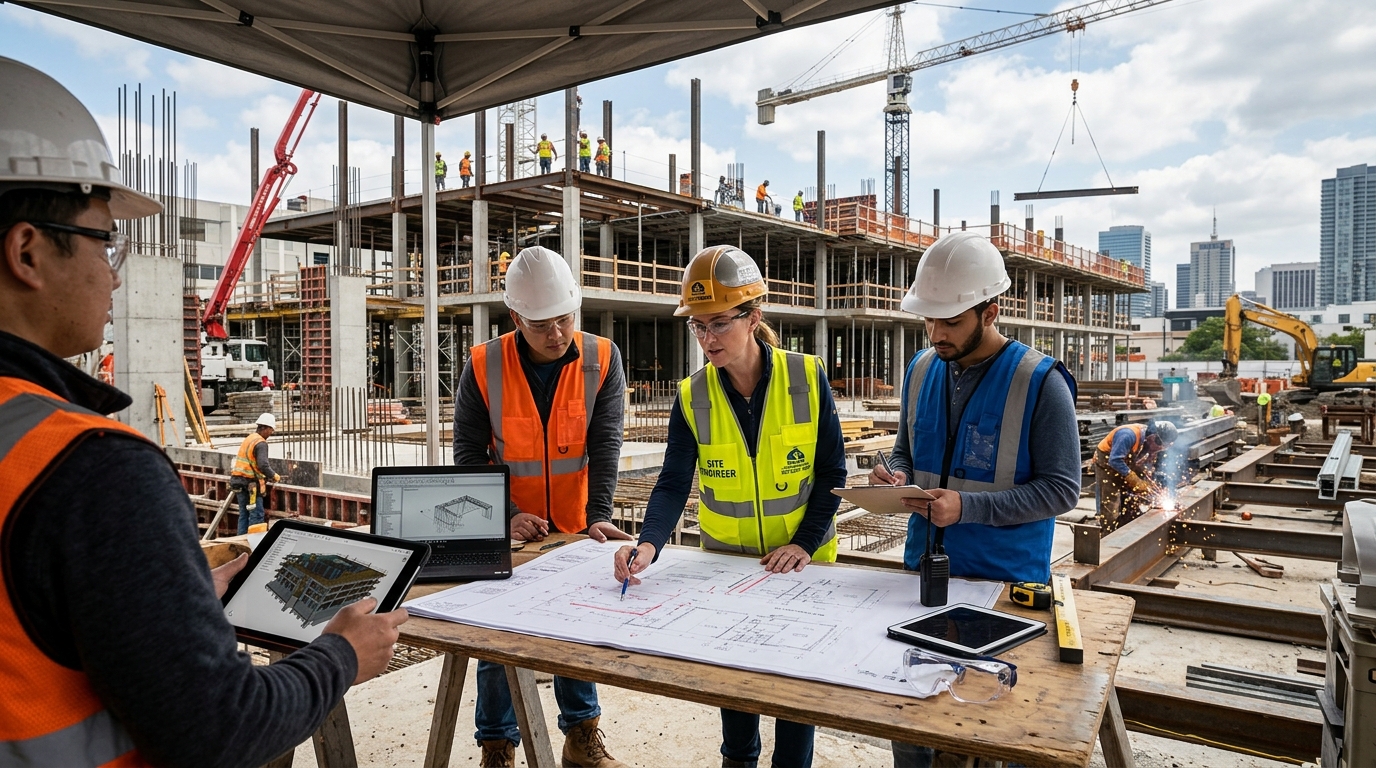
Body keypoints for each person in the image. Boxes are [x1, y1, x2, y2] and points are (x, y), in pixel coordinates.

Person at [0, 56, 407, 768]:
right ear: (28, 251)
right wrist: (341, 655)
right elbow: (221, 729)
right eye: (104, 240)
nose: (114, 275)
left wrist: (174, 605)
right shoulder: (92, 469)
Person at [614, 245, 847, 768]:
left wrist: (803, 544)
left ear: (754, 317)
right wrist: (647, 544)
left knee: (794, 704)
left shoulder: (807, 377)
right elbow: (673, 482)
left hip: (802, 569)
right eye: (698, 326)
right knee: (737, 710)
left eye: (719, 323)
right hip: (727, 572)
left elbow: (833, 474)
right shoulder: (692, 395)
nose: (708, 338)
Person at [869, 232, 1080, 768]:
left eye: (951, 321)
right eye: (929, 320)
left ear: (991, 312)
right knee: (913, 720)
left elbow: (1062, 488)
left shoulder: (1040, 382)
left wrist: (967, 508)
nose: (936, 333)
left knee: (990, 730)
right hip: (924, 577)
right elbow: (906, 450)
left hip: (1004, 587)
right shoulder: (921, 369)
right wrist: (895, 475)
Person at [453, 246, 631, 768]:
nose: (556, 334)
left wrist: (599, 514)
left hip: (576, 524)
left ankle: (582, 735)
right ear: (515, 318)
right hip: (509, 531)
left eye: (564, 319)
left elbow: (605, 444)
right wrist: (506, 512)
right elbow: (469, 452)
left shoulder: (602, 358)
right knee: (497, 637)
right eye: (540, 325)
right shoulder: (484, 365)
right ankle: (497, 745)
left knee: (574, 630)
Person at [1093, 420, 1177, 531]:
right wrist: (1133, 478)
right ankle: (1108, 531)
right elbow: (1115, 460)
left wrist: (1147, 479)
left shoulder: (1147, 440)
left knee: (1131, 493)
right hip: (1107, 461)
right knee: (1111, 499)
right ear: (1153, 437)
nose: (1160, 449)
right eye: (1160, 445)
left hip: (1123, 459)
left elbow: (1143, 465)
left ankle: (1128, 521)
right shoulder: (1127, 435)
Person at [230, 412, 281, 535]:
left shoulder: (250, 438)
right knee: (256, 515)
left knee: (244, 514)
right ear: (266, 428)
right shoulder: (261, 443)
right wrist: (273, 475)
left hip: (237, 481)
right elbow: (263, 465)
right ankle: (253, 542)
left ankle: (241, 540)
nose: (271, 433)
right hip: (250, 485)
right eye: (271, 430)